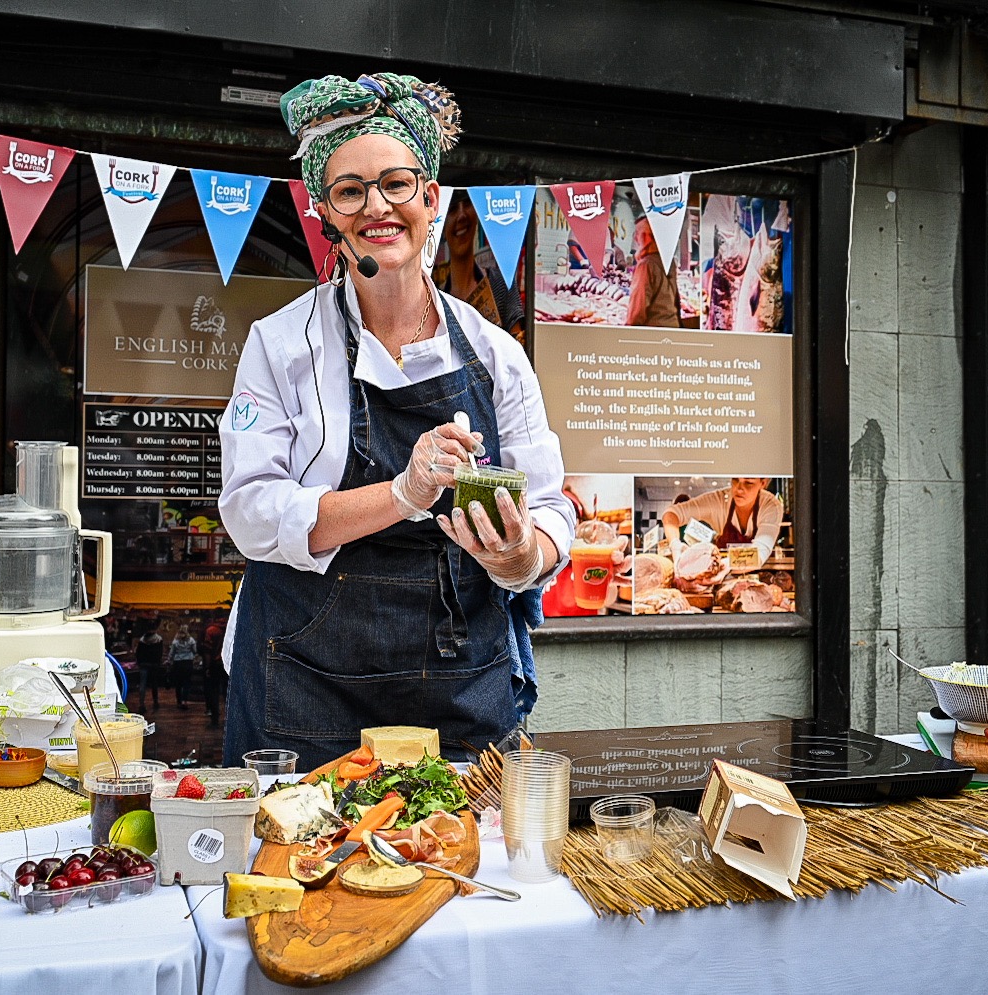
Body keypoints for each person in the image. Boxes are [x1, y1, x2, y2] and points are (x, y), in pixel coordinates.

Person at [219, 72, 574, 769]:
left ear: (430, 197)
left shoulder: (497, 355)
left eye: (396, 183)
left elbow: (552, 506)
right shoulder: (281, 344)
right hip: (305, 683)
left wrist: (522, 556)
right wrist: (404, 494)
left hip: (459, 684)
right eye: (350, 190)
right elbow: (252, 512)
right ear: (325, 209)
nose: (376, 206)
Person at [433, 191, 525, 342]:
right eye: (452, 209)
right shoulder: (437, 299)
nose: (462, 215)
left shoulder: (501, 284)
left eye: (468, 204)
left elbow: (518, 344)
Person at [662, 477, 783, 566]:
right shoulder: (719, 500)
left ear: (763, 483)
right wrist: (675, 545)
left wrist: (721, 566)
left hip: (760, 578)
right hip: (723, 580)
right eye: (735, 480)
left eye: (748, 483)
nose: (739, 489)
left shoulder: (770, 506)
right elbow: (671, 513)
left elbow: (759, 553)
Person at [624, 216, 680, 328]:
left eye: (637, 233)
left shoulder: (646, 265)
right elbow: (676, 300)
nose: (635, 238)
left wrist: (628, 332)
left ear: (647, 236)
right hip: (672, 325)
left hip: (654, 330)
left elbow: (638, 308)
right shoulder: (669, 260)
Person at [202, 615, 228, 729]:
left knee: (214, 692)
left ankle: (215, 718)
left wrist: (207, 667)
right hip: (228, 663)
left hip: (215, 664)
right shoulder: (230, 628)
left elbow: (207, 650)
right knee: (229, 693)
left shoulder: (211, 630)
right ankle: (230, 718)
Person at [133, 628, 164, 713]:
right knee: (154, 683)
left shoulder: (142, 640)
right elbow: (160, 653)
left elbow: (138, 653)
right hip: (154, 664)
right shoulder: (159, 639)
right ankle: (155, 701)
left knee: (142, 684)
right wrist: (158, 662)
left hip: (143, 664)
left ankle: (141, 704)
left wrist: (139, 662)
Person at [167, 624, 197, 710]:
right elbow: (195, 651)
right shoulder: (191, 640)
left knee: (178, 684)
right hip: (188, 662)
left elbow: (171, 653)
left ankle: (179, 701)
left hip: (178, 663)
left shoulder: (175, 641)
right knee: (187, 682)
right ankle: (185, 701)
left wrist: (169, 661)